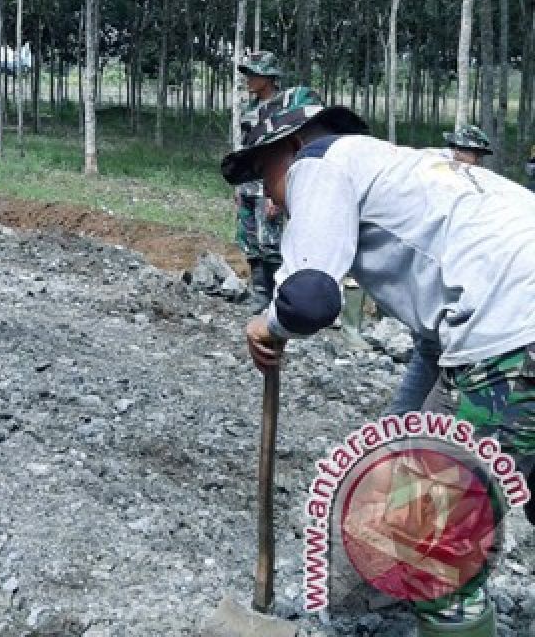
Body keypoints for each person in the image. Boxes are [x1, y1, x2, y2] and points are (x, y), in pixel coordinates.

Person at [224, 94, 535, 636]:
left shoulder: (321, 162)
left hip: (511, 331)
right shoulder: (407, 173)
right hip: (512, 320)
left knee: (431, 538)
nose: (268, 200)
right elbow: (433, 347)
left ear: (295, 145)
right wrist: (394, 431)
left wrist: (266, 324)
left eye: (263, 174)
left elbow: (311, 299)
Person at [388, 125, 494, 417]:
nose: (476, 161)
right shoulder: (439, 180)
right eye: (473, 154)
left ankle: (403, 430)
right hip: (438, 295)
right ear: (458, 151)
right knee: (433, 363)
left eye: (478, 156)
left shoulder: (473, 187)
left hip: (455, 298)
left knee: (434, 368)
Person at [234, 52, 287, 313]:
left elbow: (285, 152)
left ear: (268, 78)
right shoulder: (249, 108)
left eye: (253, 74)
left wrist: (276, 195)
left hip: (271, 185)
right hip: (248, 184)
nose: (248, 79)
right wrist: (238, 184)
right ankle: (260, 293)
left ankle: (278, 296)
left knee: (271, 244)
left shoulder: (284, 107)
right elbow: (244, 147)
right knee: (250, 240)